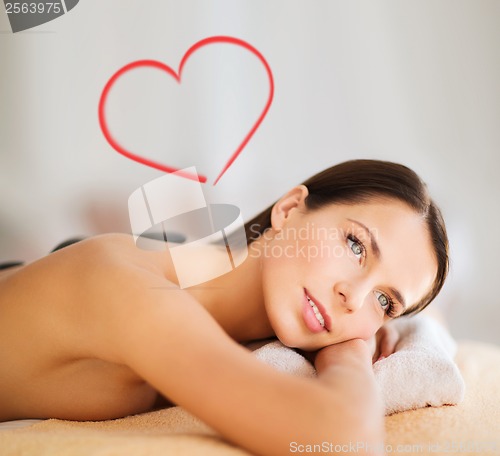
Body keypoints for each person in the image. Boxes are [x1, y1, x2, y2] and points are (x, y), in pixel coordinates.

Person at [0, 159, 448, 455]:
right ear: (290, 209)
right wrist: (350, 350)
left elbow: (433, 323)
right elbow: (344, 436)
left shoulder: (218, 302)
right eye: (355, 245)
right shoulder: (134, 289)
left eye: (385, 301)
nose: (354, 297)